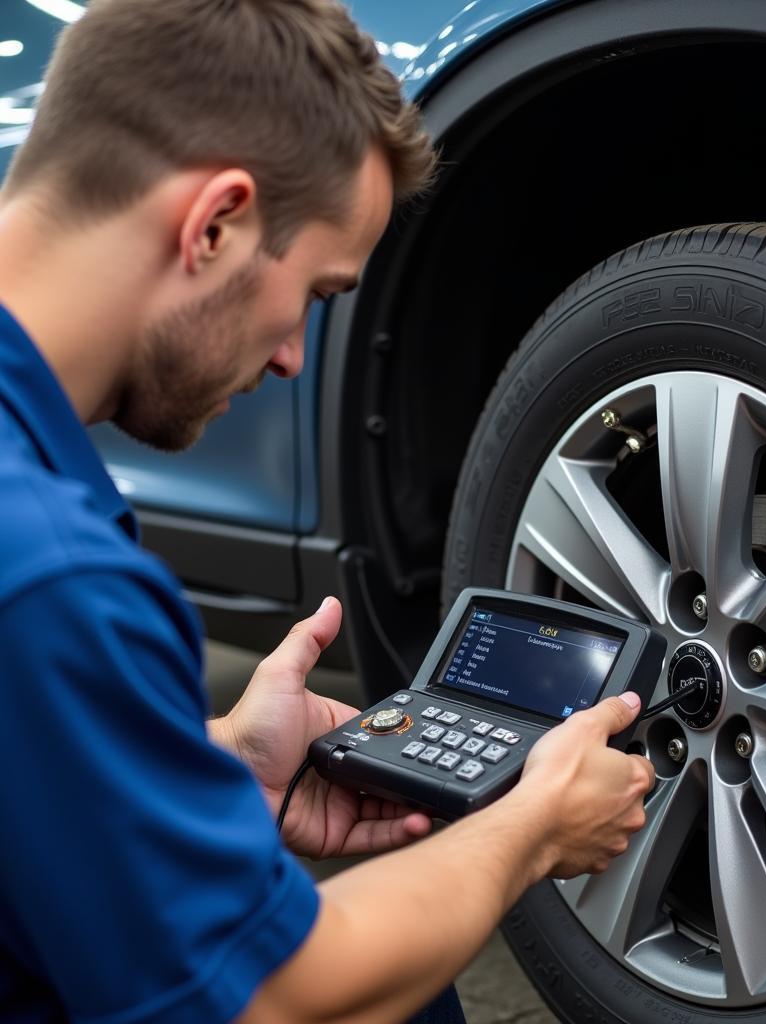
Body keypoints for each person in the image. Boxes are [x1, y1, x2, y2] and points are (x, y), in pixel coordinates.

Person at [0, 1, 656, 1022]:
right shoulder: (48, 575)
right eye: (314, 292)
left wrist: (209, 761)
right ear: (213, 222)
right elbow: (276, 1004)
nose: (294, 358)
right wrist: (529, 826)